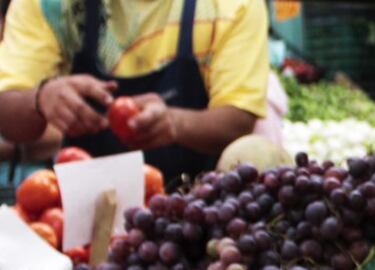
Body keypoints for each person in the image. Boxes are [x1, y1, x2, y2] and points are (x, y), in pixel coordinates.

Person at [0, 0, 269, 181]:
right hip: (82, 214)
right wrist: (41, 98)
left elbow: (238, 120)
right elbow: (8, 112)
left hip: (195, 213)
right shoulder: (52, 6)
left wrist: (176, 123)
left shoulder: (231, 6)